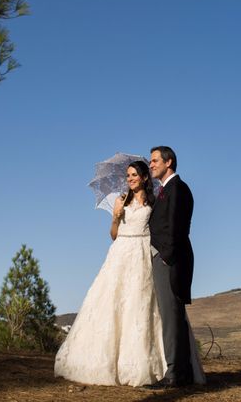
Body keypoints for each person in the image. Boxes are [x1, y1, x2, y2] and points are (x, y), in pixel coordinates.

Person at [54, 161, 166, 386]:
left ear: (145, 178)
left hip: (142, 253)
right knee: (111, 302)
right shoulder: (120, 200)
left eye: (134, 175)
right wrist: (115, 218)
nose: (130, 179)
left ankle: (144, 364)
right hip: (120, 252)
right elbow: (113, 234)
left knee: (140, 304)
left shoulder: (154, 203)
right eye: (128, 175)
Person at [148, 146, 200, 388]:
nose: (151, 165)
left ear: (169, 162)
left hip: (171, 260)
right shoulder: (164, 190)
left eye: (155, 160)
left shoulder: (177, 188)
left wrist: (166, 257)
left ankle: (174, 374)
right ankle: (182, 372)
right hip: (166, 258)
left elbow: (177, 227)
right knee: (172, 317)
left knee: (171, 317)